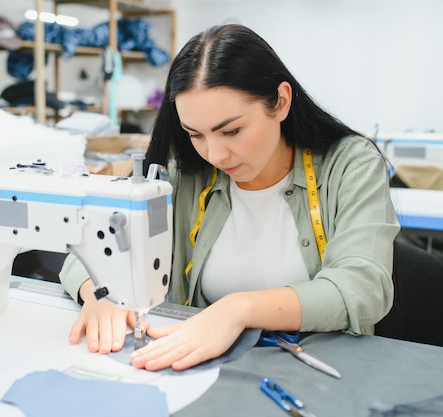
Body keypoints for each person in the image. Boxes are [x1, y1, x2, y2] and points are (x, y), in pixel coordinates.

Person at [58, 24, 400, 372]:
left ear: (280, 102)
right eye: (196, 134)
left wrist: (239, 309)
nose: (216, 155)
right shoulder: (185, 176)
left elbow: (363, 288)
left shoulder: (349, 165)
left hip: (317, 371)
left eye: (232, 131)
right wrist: (98, 292)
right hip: (204, 372)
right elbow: (85, 251)